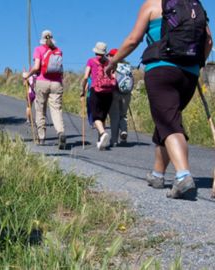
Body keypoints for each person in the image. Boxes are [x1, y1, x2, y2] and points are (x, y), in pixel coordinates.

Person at [105, 0, 212, 198]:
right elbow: (208, 42)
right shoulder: (195, 6)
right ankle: (157, 174)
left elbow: (133, 40)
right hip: (189, 74)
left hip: (161, 69)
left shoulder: (153, 4)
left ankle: (183, 176)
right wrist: (199, 65)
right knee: (166, 118)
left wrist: (114, 61)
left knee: (169, 123)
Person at [22, 29, 66, 149]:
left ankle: (41, 137)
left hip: (42, 82)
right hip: (57, 83)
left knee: (40, 109)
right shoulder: (58, 51)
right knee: (56, 110)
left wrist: (28, 75)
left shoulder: (38, 49)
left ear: (42, 38)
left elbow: (36, 67)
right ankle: (60, 132)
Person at [81, 42, 117, 150]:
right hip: (108, 92)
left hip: (96, 91)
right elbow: (114, 76)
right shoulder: (110, 62)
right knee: (103, 116)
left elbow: (86, 77)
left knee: (96, 116)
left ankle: (102, 133)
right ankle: (101, 142)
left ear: (95, 51)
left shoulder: (91, 61)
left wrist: (83, 90)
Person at [107, 48, 132, 147]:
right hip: (127, 94)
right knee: (123, 115)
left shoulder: (112, 66)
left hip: (115, 93)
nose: (108, 57)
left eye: (110, 55)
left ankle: (114, 140)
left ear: (113, 56)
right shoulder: (127, 66)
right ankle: (124, 130)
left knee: (114, 117)